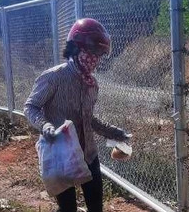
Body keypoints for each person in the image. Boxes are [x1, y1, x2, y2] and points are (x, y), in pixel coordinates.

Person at [24, 18, 130, 212]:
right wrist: (45, 125)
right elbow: (31, 106)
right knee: (68, 209)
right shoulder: (54, 77)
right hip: (60, 153)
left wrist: (113, 132)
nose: (95, 58)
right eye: (92, 52)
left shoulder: (92, 85)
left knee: (96, 207)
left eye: (100, 54)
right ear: (77, 48)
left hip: (88, 153)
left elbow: (89, 120)